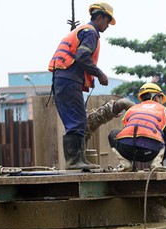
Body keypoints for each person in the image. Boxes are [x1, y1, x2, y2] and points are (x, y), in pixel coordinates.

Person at [48, 2, 115, 170]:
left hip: (64, 79)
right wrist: (99, 74)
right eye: (107, 21)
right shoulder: (91, 33)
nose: (108, 26)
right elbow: (82, 56)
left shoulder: (82, 31)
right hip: (69, 80)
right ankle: (73, 161)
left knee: (78, 120)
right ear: (99, 17)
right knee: (76, 121)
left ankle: (80, 160)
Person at [108, 83, 166, 171]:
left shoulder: (132, 109)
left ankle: (126, 164)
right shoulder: (164, 111)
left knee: (113, 135)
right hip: (151, 152)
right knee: (163, 135)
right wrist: (162, 157)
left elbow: (128, 134)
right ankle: (155, 164)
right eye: (161, 98)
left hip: (129, 151)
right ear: (157, 97)